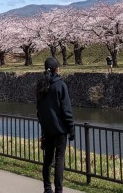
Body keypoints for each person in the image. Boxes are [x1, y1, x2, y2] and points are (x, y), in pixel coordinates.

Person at [36, 57, 74, 193]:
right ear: (57, 68)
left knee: (47, 159)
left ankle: (47, 189)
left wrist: (43, 130)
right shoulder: (60, 85)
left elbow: (39, 111)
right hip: (59, 130)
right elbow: (67, 110)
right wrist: (71, 128)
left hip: (47, 129)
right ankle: (58, 190)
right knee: (59, 160)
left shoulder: (40, 85)